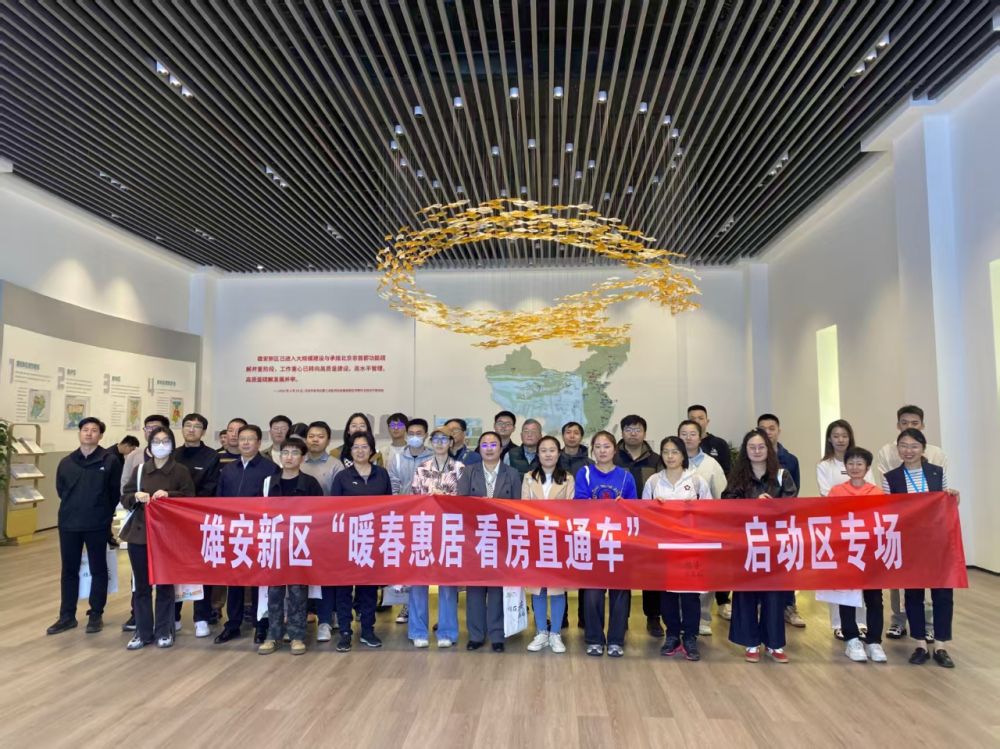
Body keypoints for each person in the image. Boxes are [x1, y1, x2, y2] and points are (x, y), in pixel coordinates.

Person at [882, 429, 959, 668]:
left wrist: (952, 497)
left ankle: (941, 645)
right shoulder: (891, 477)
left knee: (943, 594)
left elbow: (945, 505)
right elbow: (889, 510)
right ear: (897, 449)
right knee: (913, 594)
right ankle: (920, 644)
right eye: (903, 446)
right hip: (910, 543)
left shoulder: (937, 472)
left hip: (937, 541)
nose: (908, 451)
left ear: (923, 448)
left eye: (914, 446)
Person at [875, 405, 950, 640]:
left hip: (932, 534)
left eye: (914, 423)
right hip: (905, 532)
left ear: (922, 426)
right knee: (904, 582)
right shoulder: (887, 453)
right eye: (904, 423)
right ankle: (900, 621)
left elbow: (942, 496)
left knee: (936, 585)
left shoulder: (937, 458)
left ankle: (930, 628)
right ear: (898, 425)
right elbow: (888, 497)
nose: (909, 450)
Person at [724, 429, 797, 663]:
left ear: (768, 449)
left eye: (761, 447)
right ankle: (751, 642)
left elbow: (792, 505)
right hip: (746, 544)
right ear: (745, 451)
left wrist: (772, 505)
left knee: (774, 595)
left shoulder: (782, 475)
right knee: (746, 594)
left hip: (774, 545)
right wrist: (753, 504)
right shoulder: (737, 477)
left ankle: (774, 644)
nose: (756, 451)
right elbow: (727, 504)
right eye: (752, 447)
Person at [120, 426, 195, 650]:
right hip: (140, 534)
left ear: (172, 445)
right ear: (150, 446)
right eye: (156, 441)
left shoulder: (180, 471)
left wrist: (170, 496)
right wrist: (135, 496)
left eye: (165, 441)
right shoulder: (141, 469)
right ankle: (143, 632)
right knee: (141, 586)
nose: (161, 445)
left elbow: (190, 498)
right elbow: (125, 497)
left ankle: (164, 630)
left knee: (164, 585)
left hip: (167, 536)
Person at [47, 417, 122, 636]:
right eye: (85, 429)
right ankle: (67, 616)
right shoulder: (67, 462)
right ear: (79, 433)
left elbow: (114, 492)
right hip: (69, 523)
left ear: (100, 435)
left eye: (94, 430)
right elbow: (61, 490)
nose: (89, 433)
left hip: (97, 523)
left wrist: (103, 513)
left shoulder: (109, 460)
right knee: (69, 569)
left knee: (98, 568)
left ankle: (96, 613)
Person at [642, 436, 712, 661]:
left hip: (690, 547)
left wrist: (693, 509)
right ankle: (672, 634)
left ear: (683, 455)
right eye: (666, 452)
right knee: (667, 595)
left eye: (675, 452)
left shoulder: (697, 481)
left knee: (690, 595)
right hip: (663, 548)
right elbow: (643, 515)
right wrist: (655, 508)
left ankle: (690, 636)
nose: (670, 456)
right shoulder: (654, 481)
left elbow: (710, 512)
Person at [214, 424, 280, 646]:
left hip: (259, 532)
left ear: (259, 443)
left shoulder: (270, 468)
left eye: (250, 439)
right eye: (242, 438)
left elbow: (273, 502)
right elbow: (219, 499)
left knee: (260, 580)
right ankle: (233, 624)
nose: (245, 442)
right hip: (233, 532)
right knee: (234, 579)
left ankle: (261, 625)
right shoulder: (228, 469)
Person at [258, 436, 323, 656]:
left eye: (295, 453)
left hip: (299, 543)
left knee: (297, 592)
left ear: (302, 458)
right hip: (274, 542)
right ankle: (273, 635)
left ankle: (297, 635)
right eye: (285, 452)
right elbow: (258, 511)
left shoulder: (310, 484)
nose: (289, 457)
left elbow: (319, 514)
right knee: (274, 592)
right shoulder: (268, 482)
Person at [458, 431, 522, 652]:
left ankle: (497, 635)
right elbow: (461, 504)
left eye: (493, 444)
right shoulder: (469, 472)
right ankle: (476, 635)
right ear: (479, 449)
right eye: (484, 444)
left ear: (501, 448)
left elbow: (518, 507)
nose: (489, 448)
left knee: (497, 589)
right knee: (475, 588)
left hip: (502, 538)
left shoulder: (512, 473)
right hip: (474, 537)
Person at [575, 430, 638, 657]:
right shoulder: (584, 473)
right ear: (592, 450)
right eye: (598, 447)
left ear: (615, 449)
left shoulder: (626, 477)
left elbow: (634, 510)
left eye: (607, 446)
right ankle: (594, 638)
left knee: (620, 592)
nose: (602, 451)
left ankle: (616, 640)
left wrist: (624, 506)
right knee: (593, 592)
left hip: (619, 542)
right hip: (592, 541)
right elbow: (580, 503)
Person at [330, 431, 390, 652]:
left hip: (372, 541)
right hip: (346, 541)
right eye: (356, 447)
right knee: (344, 589)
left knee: (368, 588)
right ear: (350, 451)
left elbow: (389, 508)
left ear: (372, 450)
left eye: (365, 447)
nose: (360, 451)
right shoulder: (342, 477)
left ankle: (367, 630)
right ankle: (345, 632)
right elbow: (334, 511)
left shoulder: (381, 474)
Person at [829, 447, 887, 663]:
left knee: (874, 598)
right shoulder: (836, 491)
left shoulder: (876, 492)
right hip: (846, 551)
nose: (855, 467)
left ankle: (874, 641)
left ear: (867, 467)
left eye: (859, 463)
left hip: (871, 552)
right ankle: (851, 639)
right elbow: (830, 519)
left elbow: (883, 522)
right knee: (847, 597)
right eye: (851, 463)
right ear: (845, 466)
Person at [816, 419, 873, 639]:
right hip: (837, 527)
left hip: (862, 527)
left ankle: (861, 622)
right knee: (838, 577)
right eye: (836, 436)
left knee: (861, 576)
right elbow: (826, 494)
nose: (840, 440)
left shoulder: (862, 460)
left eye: (844, 435)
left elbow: (871, 491)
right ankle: (838, 623)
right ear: (829, 439)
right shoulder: (825, 465)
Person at [408, 429, 464, 648]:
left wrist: (445, 499)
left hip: (450, 530)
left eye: (444, 439)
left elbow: (465, 501)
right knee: (418, 581)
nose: (440, 443)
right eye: (436, 439)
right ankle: (417, 631)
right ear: (431, 442)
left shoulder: (460, 468)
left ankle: (447, 632)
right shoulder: (422, 468)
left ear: (451, 442)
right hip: (424, 528)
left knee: (447, 583)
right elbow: (414, 499)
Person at [522, 435, 575, 654]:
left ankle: (555, 634)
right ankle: (541, 631)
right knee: (538, 588)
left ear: (559, 453)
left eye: (552, 450)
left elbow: (571, 509)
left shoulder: (568, 479)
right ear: (538, 454)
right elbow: (524, 508)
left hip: (558, 540)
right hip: (535, 539)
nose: (548, 454)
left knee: (557, 588)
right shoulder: (528, 477)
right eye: (543, 450)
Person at [614, 415, 664, 637]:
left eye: (637, 429)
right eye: (628, 429)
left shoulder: (656, 460)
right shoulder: (613, 457)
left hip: (649, 524)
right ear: (622, 432)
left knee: (652, 572)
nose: (633, 433)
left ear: (644, 432)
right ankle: (621, 618)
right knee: (622, 570)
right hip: (619, 524)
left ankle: (653, 617)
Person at [677, 418, 728, 631]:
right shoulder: (671, 461)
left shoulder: (711, 464)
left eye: (692, 434)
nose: (688, 438)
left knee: (704, 574)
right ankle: (681, 619)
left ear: (700, 438)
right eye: (684, 434)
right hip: (677, 529)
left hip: (706, 527)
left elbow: (722, 495)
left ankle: (703, 619)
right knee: (679, 575)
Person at [174, 412, 222, 637]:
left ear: (203, 431)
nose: (191, 429)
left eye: (196, 426)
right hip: (175, 520)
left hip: (201, 519)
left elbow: (211, 487)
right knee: (175, 568)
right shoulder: (173, 454)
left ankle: (201, 617)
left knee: (202, 569)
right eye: (187, 425)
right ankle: (173, 615)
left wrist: (189, 504)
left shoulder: (211, 456)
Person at [756, 413, 804, 628]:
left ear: (778, 430)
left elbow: (794, 491)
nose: (767, 432)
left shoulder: (790, 460)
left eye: (772, 428)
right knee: (760, 564)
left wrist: (776, 508)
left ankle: (788, 606)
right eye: (763, 428)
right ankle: (760, 605)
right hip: (757, 524)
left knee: (785, 564)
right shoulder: (750, 458)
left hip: (782, 522)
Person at [120, 414, 170, 492]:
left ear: (166, 431)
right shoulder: (133, 455)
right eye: (148, 428)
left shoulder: (174, 455)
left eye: (155, 428)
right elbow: (125, 482)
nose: (150, 431)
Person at [389, 418, 433, 496]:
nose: (414, 437)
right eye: (411, 434)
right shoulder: (397, 459)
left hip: (426, 502)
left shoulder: (433, 458)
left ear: (426, 435)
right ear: (407, 435)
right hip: (404, 502)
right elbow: (393, 486)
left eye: (418, 434)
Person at [299, 421, 344, 496]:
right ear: (306, 440)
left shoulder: (336, 465)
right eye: (311, 436)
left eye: (320, 437)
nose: (315, 440)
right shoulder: (297, 462)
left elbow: (340, 495)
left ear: (328, 441)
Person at [686, 404, 732, 475]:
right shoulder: (681, 444)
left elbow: (727, 471)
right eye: (692, 419)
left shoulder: (719, 443)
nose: (696, 422)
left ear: (707, 421)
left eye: (700, 418)